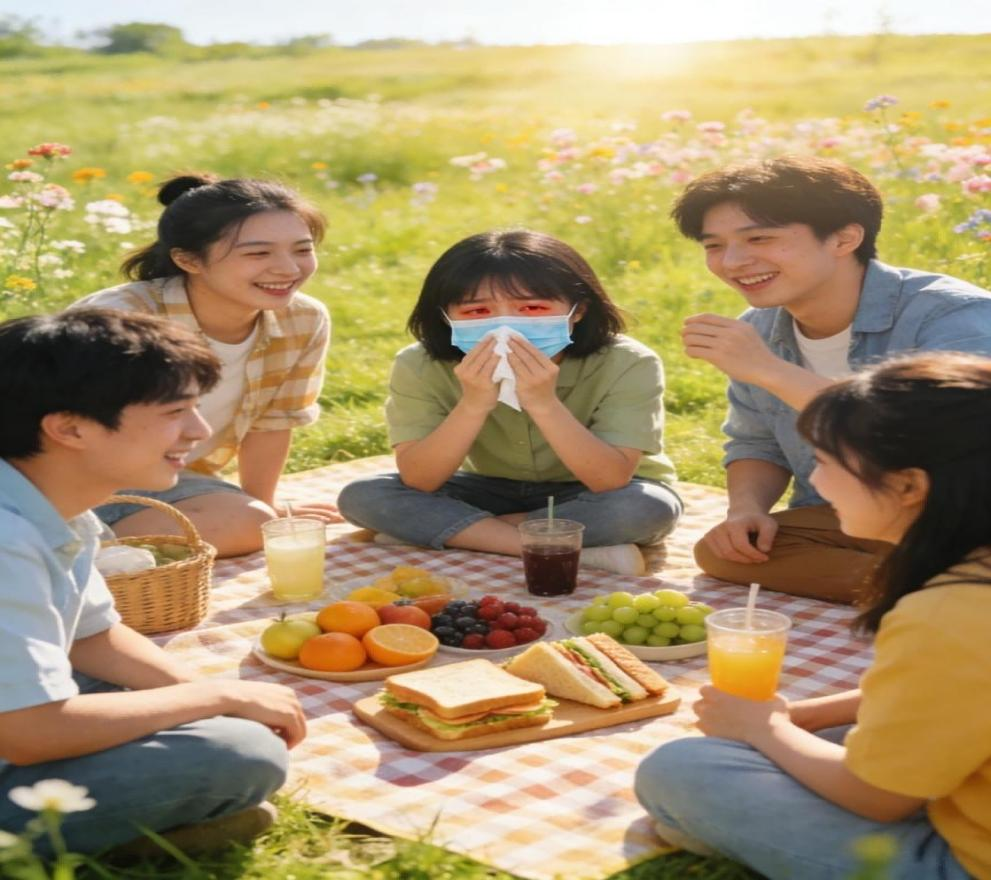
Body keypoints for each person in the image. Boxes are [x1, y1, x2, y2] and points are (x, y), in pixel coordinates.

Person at [635, 351, 991, 880]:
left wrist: (765, 727)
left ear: (909, 486)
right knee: (819, 741)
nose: (817, 484)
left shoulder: (944, 615)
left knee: (680, 770)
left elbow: (877, 797)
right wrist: (804, 717)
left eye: (826, 462)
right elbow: (958, 693)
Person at [0, 309, 306, 856]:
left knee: (186, 711)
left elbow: (91, 635)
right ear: (69, 428)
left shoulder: (57, 504)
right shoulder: (7, 538)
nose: (199, 431)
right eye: (175, 412)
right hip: (19, 734)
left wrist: (209, 699)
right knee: (238, 755)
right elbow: (29, 731)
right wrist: (218, 696)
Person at [673, 155, 991, 602]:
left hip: (964, 520)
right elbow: (755, 443)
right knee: (727, 552)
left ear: (845, 238)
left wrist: (769, 370)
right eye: (714, 245)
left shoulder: (951, 315)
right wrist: (746, 510)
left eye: (759, 238)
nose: (733, 261)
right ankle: (942, 587)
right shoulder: (758, 329)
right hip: (852, 517)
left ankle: (947, 587)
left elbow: (947, 439)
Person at [337, 229, 682, 576]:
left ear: (578, 310)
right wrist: (473, 404)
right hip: (489, 485)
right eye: (478, 310)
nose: (506, 326)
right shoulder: (419, 363)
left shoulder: (628, 362)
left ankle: (458, 532)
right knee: (365, 495)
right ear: (445, 316)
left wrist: (544, 403)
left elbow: (609, 480)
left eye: (532, 307)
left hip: (595, 492)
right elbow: (419, 479)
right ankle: (568, 549)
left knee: (644, 508)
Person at [74, 174, 340, 558]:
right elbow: (68, 430)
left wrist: (262, 506)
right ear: (188, 260)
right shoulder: (122, 319)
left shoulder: (304, 319)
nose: (288, 268)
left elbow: (273, 422)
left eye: (302, 249)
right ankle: (59, 545)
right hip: (64, 477)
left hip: (167, 480)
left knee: (253, 523)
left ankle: (84, 550)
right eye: (258, 254)